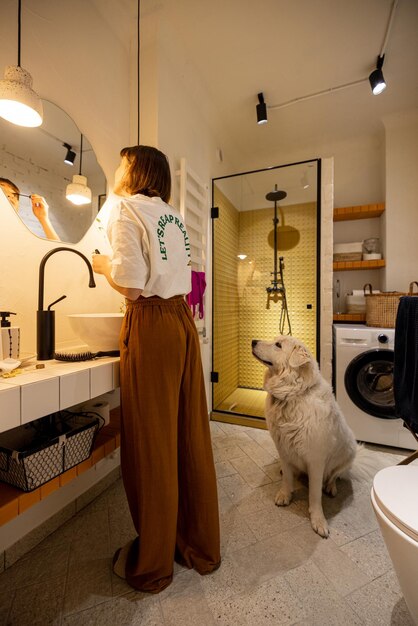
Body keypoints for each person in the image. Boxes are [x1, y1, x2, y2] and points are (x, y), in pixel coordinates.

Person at [92, 145, 221, 593]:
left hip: (150, 322)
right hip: (181, 322)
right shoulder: (171, 215)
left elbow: (130, 283)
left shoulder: (123, 208)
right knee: (187, 435)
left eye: (120, 162)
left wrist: (104, 266)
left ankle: (151, 564)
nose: (115, 169)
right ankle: (198, 544)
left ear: (134, 169)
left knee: (152, 444)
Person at [0, 177, 60, 241]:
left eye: (13, 196)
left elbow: (61, 251)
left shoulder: (20, 239)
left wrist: (43, 218)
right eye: (2, 193)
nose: (9, 197)